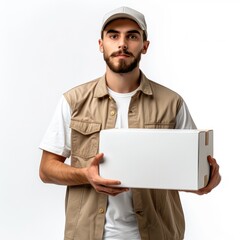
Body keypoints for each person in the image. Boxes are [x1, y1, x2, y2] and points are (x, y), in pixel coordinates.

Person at [39, 6, 221, 240]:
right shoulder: (73, 102)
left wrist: (206, 181)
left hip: (157, 234)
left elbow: (190, 175)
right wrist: (87, 175)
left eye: (132, 36)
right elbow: (46, 169)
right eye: (113, 35)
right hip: (87, 234)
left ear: (145, 45)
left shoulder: (171, 103)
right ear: (101, 44)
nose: (122, 44)